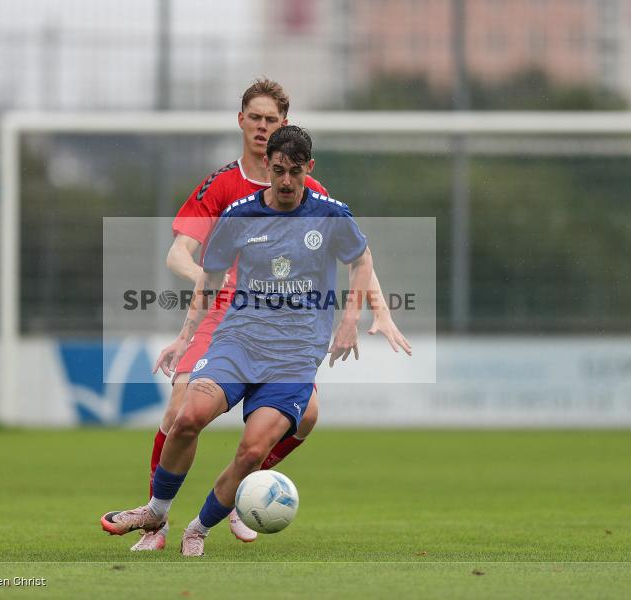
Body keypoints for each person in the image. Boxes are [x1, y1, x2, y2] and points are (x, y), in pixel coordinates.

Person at [108, 80, 410, 552]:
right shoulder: (226, 192)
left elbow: (359, 256)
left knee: (297, 422)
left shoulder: (323, 203)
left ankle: (234, 500)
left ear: (297, 153)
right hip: (232, 320)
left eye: (272, 120)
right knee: (182, 414)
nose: (263, 128)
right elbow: (184, 259)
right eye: (256, 118)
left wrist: (376, 312)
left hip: (292, 344)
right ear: (242, 122)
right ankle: (156, 519)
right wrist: (191, 328)